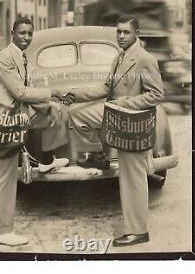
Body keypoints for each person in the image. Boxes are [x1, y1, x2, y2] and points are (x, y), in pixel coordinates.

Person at [69, 16, 164, 246]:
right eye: (119, 32)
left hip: (132, 125)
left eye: (126, 33)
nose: (121, 36)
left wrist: (123, 103)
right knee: (76, 113)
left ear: (136, 33)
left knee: (132, 179)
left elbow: (157, 94)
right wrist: (75, 94)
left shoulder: (144, 59)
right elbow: (105, 88)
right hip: (116, 119)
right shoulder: (119, 57)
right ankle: (101, 155)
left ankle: (138, 231)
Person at [0, 17, 70, 246]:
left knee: (56, 112)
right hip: (4, 119)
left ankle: (45, 159)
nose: (26, 37)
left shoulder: (22, 57)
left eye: (30, 33)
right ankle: (0, 231)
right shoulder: (4, 57)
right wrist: (53, 93)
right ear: (12, 32)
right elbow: (20, 92)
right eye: (22, 32)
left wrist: (49, 105)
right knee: (3, 176)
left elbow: (29, 91)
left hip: (17, 116)